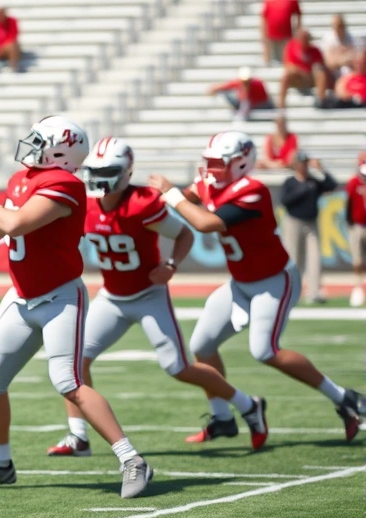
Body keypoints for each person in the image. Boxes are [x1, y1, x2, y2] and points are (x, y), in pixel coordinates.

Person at [0, 116, 153, 498]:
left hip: (59, 297)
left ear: (62, 151)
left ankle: (133, 460)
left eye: (39, 141)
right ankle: (0, 464)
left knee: (69, 382)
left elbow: (13, 225)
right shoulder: (23, 178)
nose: (29, 146)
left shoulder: (65, 183)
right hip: (21, 296)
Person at [48, 137, 268, 456]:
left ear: (125, 172)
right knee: (75, 362)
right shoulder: (85, 202)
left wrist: (171, 264)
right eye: (93, 170)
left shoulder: (142, 203)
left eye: (107, 170)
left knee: (177, 367)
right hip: (111, 297)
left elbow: (184, 233)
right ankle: (78, 436)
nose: (97, 178)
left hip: (148, 295)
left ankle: (248, 405)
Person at [149, 131, 366, 442]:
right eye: (208, 162)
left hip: (273, 282)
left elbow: (206, 223)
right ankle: (224, 417)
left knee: (264, 350)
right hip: (240, 282)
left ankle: (344, 397)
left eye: (217, 163)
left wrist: (171, 194)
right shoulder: (212, 183)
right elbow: (184, 199)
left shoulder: (252, 190)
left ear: (240, 163)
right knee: (201, 346)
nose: (210, 169)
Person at [279, 152, 338, 304]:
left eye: (305, 163)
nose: (303, 166)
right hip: (294, 222)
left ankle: (314, 292)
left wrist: (321, 169)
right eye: (301, 163)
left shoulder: (313, 181)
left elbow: (331, 185)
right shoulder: (290, 182)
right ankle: (291, 291)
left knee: (314, 257)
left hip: (311, 222)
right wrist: (303, 190)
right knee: (294, 257)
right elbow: (285, 201)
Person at [279, 28, 328, 109]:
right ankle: (281, 104)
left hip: (311, 77)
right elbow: (287, 65)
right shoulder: (291, 47)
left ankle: (321, 99)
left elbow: (322, 66)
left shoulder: (315, 50)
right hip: (298, 77)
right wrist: (298, 70)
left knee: (320, 73)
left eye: (306, 38)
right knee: (286, 75)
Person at [206, 67, 273, 121]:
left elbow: (253, 99)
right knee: (225, 93)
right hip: (247, 103)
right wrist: (214, 89)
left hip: (259, 105)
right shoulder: (239, 82)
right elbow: (225, 86)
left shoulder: (257, 84)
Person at [347, 161, 366, 307]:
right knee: (357, 260)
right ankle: (358, 286)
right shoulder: (354, 183)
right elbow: (349, 203)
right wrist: (350, 222)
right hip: (357, 225)